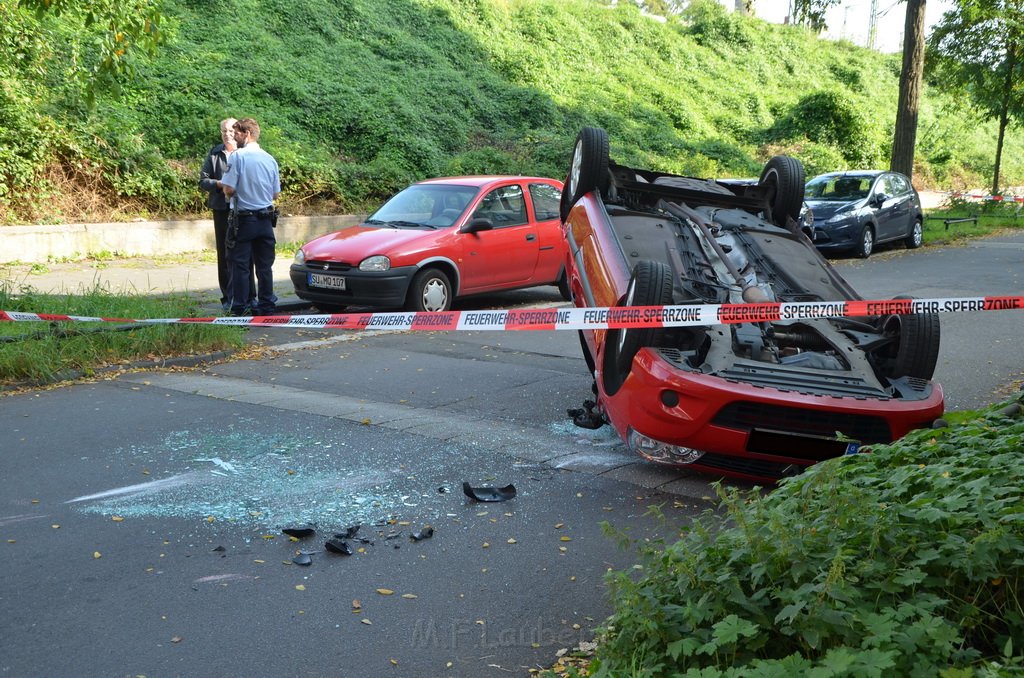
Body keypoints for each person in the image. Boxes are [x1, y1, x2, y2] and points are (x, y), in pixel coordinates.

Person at [216, 118, 281, 316]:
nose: (234, 137)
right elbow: (275, 194)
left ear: (246, 134)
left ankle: (240, 308)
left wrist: (228, 189)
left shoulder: (237, 157)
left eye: (236, 133)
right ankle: (267, 305)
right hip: (266, 220)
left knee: (240, 265)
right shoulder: (269, 159)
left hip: (244, 220)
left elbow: (228, 189)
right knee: (264, 266)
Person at [198, 118, 254, 311]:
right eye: (223, 131)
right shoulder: (214, 153)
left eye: (231, 130)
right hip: (222, 209)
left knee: (246, 253)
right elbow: (203, 181)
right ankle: (227, 298)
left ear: (238, 131)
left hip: (244, 208)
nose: (227, 134)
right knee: (224, 254)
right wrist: (219, 184)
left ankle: (249, 296)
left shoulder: (246, 153)